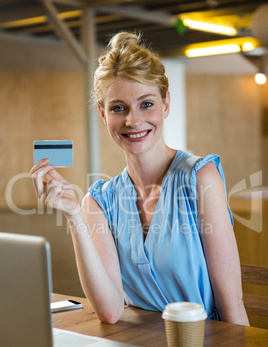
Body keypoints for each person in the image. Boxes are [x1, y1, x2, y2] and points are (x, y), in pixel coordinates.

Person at [30, 31, 249, 326]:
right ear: (103, 114)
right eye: (118, 108)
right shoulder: (98, 201)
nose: (133, 120)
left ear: (166, 104)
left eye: (146, 104)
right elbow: (110, 311)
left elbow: (232, 304)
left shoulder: (200, 177)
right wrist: (73, 216)